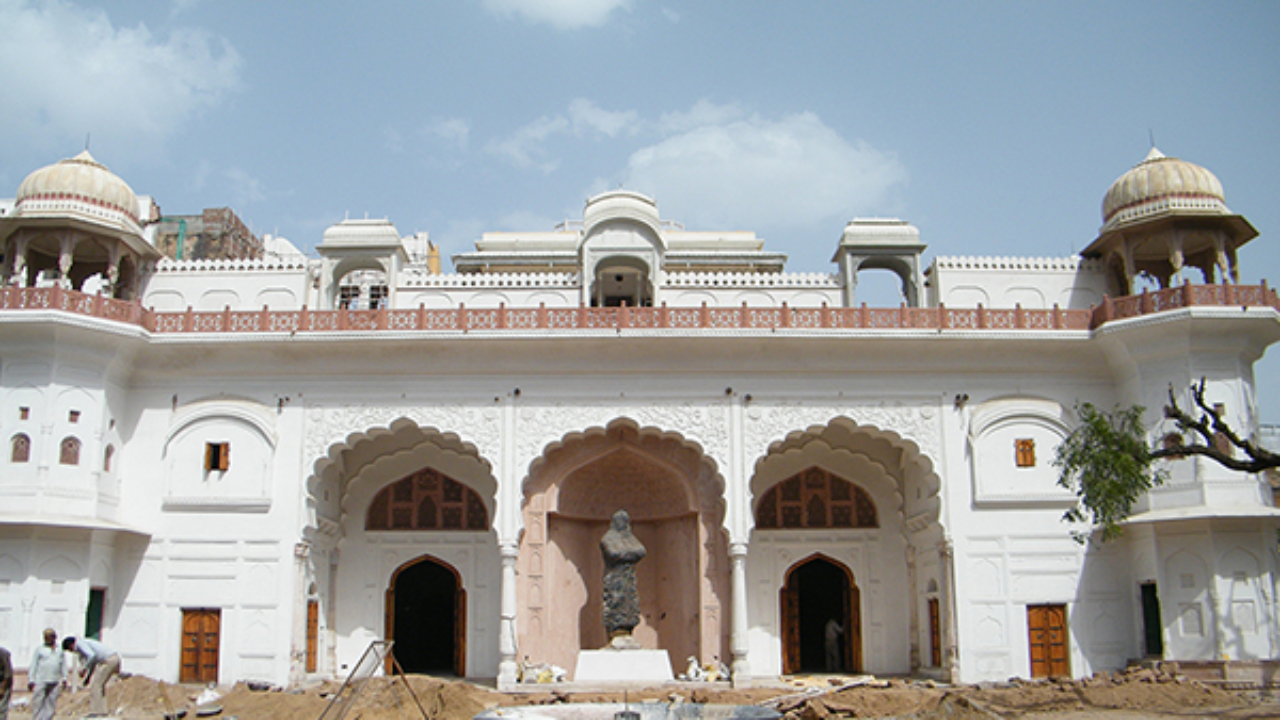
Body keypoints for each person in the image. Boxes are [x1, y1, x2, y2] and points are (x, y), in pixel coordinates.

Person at [600, 509, 646, 639]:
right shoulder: (608, 538)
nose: (623, 524)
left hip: (629, 580)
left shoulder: (629, 537)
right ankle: (614, 633)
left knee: (630, 606)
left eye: (625, 521)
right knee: (614, 603)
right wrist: (630, 554)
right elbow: (612, 553)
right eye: (620, 521)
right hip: (614, 579)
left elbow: (641, 551)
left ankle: (628, 631)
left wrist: (624, 553)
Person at [63, 637, 120, 717]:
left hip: (108, 660)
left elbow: (91, 656)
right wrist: (88, 677)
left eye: (70, 650)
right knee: (99, 685)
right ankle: (102, 711)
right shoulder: (84, 644)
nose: (72, 652)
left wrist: (84, 668)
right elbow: (93, 662)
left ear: (71, 645)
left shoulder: (80, 644)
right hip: (112, 659)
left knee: (96, 686)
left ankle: (96, 712)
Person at [27, 628, 64, 720]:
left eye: (49, 637)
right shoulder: (39, 649)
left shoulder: (60, 650)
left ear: (54, 637)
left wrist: (65, 678)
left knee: (51, 702)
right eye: (45, 637)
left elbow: (63, 664)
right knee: (38, 702)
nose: (47, 639)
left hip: (54, 679)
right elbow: (33, 665)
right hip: (41, 680)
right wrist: (31, 679)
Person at [0, 643, 12, 720]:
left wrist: (2, 688)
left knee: (1, 707)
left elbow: (8, 674)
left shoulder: (3, 654)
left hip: (3, 682)